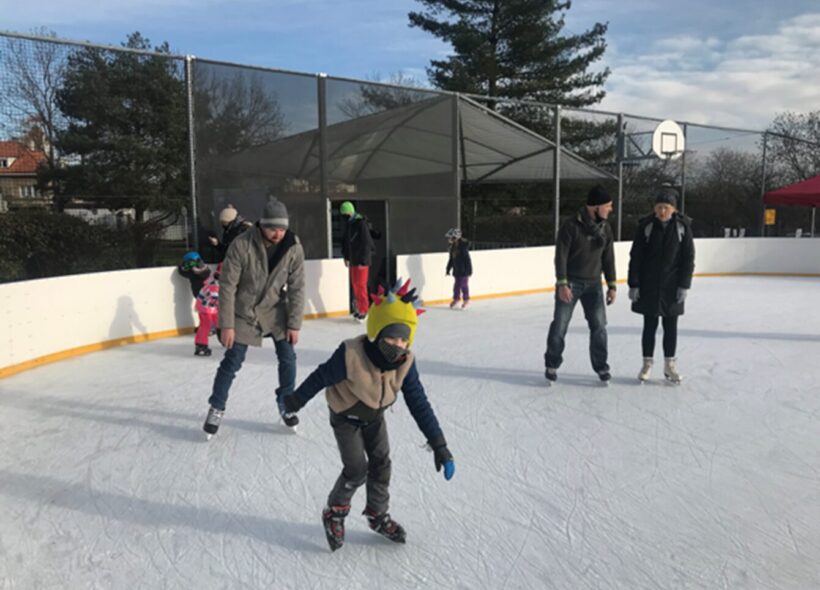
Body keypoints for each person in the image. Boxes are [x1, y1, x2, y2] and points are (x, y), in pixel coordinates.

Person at [281, 279, 455, 551]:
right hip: (345, 416)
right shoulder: (351, 354)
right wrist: (295, 401)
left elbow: (419, 402)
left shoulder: (405, 362)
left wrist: (439, 444)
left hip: (374, 416)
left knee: (381, 464)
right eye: (392, 337)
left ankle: (377, 514)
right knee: (356, 470)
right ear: (377, 332)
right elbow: (320, 377)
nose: (398, 345)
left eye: (404, 339)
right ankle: (334, 512)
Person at [203, 197, 306, 437]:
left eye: (282, 229)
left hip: (275, 310)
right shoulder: (241, 244)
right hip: (244, 311)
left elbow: (297, 287)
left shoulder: (293, 246)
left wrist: (294, 324)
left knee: (288, 357)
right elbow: (227, 286)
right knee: (233, 360)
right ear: (262, 225)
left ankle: (286, 402)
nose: (278, 234)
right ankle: (216, 407)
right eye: (273, 229)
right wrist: (227, 324)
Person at [544, 185, 617, 384]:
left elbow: (608, 258)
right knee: (560, 325)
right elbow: (560, 256)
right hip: (571, 284)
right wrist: (562, 283)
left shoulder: (605, 228)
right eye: (608, 206)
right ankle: (552, 363)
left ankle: (601, 366)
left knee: (599, 326)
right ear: (596, 207)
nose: (611, 209)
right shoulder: (571, 226)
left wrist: (612, 285)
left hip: (594, 285)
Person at [628, 189, 695, 384]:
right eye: (659, 207)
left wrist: (684, 285)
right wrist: (634, 284)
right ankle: (647, 364)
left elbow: (688, 258)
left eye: (666, 207)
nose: (662, 211)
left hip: (672, 287)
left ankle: (669, 365)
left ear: (674, 209)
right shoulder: (646, 226)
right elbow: (636, 257)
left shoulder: (682, 228)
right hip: (649, 285)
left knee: (670, 327)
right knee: (649, 326)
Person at [340, 201, 377, 321]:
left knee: (361, 285)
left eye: (345, 214)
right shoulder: (349, 224)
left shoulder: (361, 224)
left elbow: (366, 243)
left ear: (350, 212)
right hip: (353, 259)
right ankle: (359, 308)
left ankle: (364, 309)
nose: (344, 217)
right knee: (355, 285)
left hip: (361, 261)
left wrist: (364, 261)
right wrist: (346, 257)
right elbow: (347, 242)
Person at [193, 265, 221, 357]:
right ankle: (201, 345)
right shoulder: (214, 286)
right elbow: (214, 299)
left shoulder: (217, 283)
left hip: (211, 308)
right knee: (205, 326)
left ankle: (226, 339)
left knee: (220, 322)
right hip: (205, 308)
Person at [445, 228, 473, 309]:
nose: (449, 239)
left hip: (464, 270)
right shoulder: (453, 247)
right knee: (457, 286)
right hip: (457, 270)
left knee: (463, 285)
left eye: (451, 237)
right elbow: (451, 259)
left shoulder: (462, 247)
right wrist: (448, 269)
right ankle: (456, 299)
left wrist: (469, 270)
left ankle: (466, 300)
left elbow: (467, 259)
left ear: (456, 237)